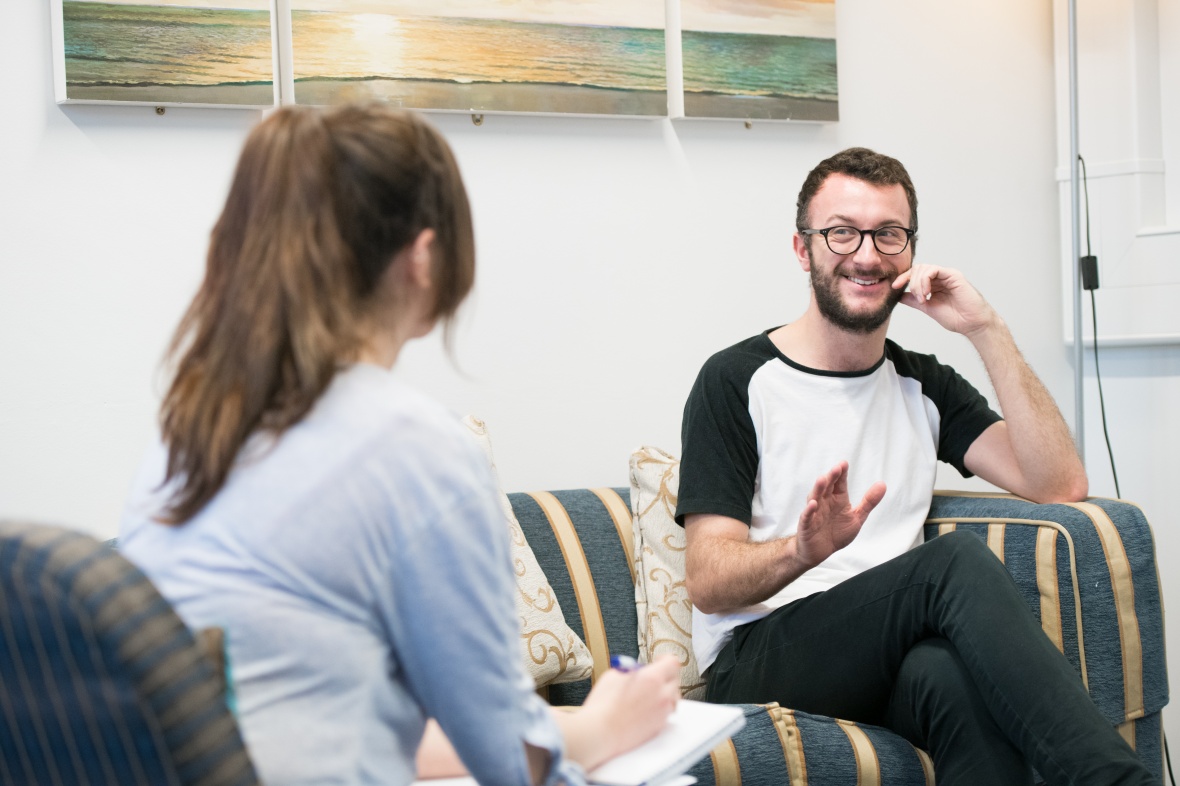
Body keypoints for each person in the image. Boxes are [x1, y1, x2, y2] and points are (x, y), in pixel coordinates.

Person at [118, 102, 679, 786]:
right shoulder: (416, 448)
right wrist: (601, 731)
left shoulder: (191, 437)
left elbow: (319, 719)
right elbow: (511, 758)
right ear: (423, 257)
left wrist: (587, 731)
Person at [675, 147, 1158, 785]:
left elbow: (1059, 483)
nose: (868, 255)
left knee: (949, 676)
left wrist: (986, 327)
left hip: (884, 651)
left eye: (889, 234)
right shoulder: (736, 379)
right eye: (842, 232)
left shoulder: (919, 382)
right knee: (949, 565)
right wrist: (801, 550)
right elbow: (708, 580)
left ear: (909, 250)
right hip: (758, 657)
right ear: (803, 249)